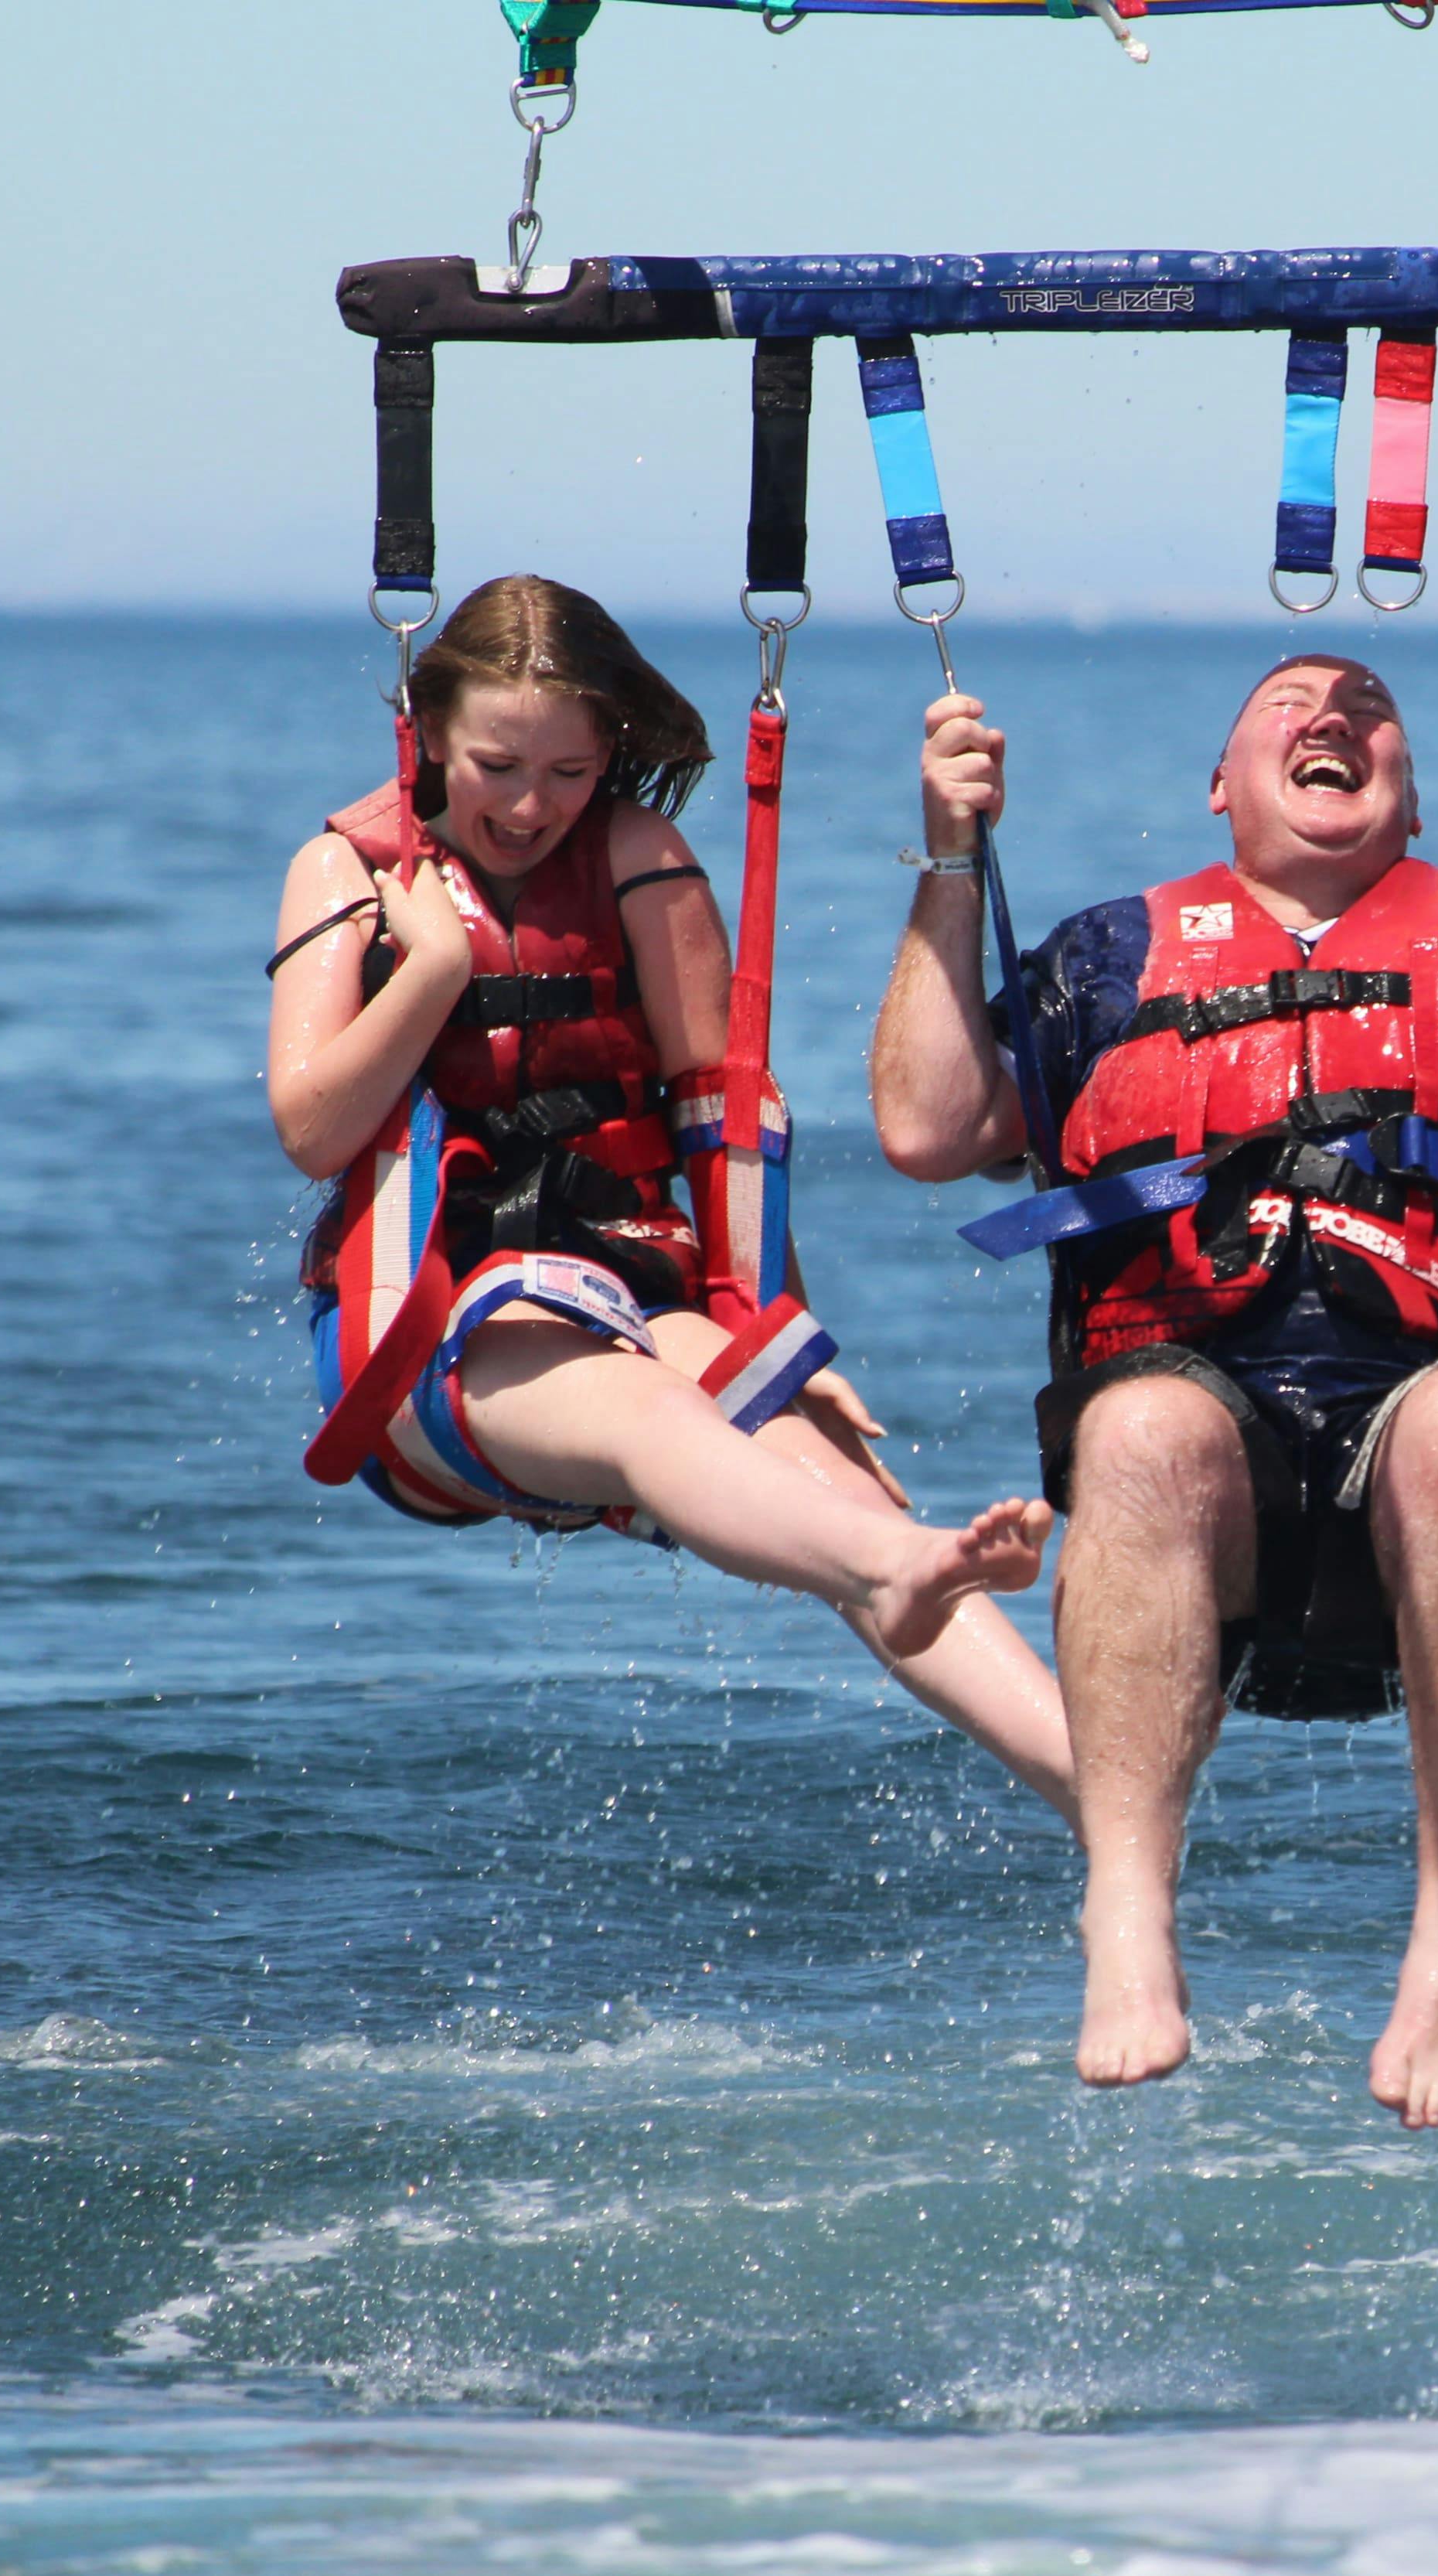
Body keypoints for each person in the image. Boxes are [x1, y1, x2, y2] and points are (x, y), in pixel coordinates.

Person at [871, 653, 1438, 2125]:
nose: (1331, 721)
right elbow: (926, 1121)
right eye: (1289, 707)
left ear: (1409, 799)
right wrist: (950, 854)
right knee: (1143, 1427)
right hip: (1193, 1454)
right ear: (1222, 787)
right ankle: (1128, 1912)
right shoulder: (1106, 959)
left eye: (1367, 716)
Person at [265, 574, 1073, 1818]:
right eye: (498, 764)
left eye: (572, 772)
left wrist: (780, 1330)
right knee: (654, 1414)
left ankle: (1102, 1793)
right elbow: (315, 1130)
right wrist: (427, 968)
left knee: (823, 1463)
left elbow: (725, 1118)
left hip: (629, 1282)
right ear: (426, 730)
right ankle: (895, 1568)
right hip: (424, 1337)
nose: (533, 805)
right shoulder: (345, 872)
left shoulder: (639, 858)